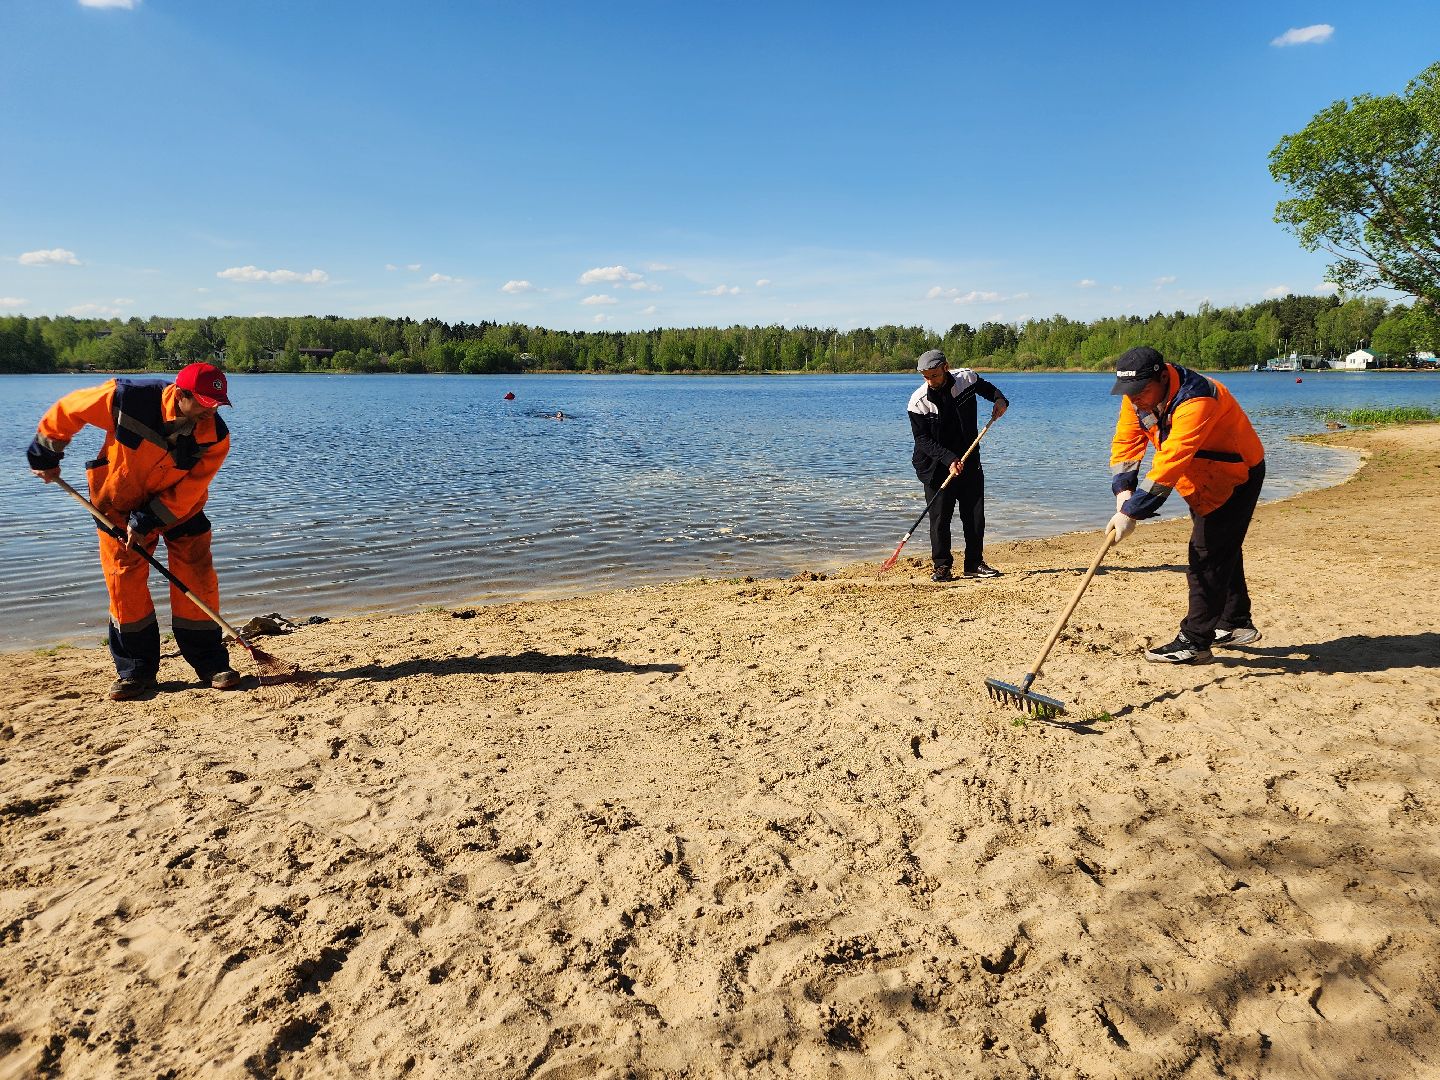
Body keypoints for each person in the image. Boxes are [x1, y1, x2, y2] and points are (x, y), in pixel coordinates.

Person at [27, 362, 241, 700]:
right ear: (181, 394)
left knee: (198, 575)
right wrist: (45, 451)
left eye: (216, 403)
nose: (209, 411)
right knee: (124, 582)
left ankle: (211, 663)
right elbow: (70, 409)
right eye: (202, 402)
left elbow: (191, 488)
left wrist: (148, 520)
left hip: (180, 506)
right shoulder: (127, 397)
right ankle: (137, 672)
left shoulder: (215, 436)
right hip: (117, 503)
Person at [1106, 346, 1266, 663]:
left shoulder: (1198, 398)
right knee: (1222, 547)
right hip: (1198, 476)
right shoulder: (1135, 395)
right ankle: (1235, 623)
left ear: (1163, 377)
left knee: (1206, 554)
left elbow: (1169, 463)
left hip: (1235, 474)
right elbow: (1127, 441)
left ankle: (1195, 642)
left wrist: (1132, 512)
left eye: (1140, 391)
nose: (1134, 398)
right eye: (1129, 392)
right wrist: (1123, 491)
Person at [907, 349, 1009, 581]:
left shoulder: (966, 379)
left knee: (974, 515)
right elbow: (922, 440)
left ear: (945, 367)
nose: (930, 381)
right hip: (934, 465)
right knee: (940, 518)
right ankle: (942, 566)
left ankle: (973, 563)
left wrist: (1000, 400)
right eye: (925, 376)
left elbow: (988, 389)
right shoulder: (918, 402)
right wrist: (949, 459)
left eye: (934, 375)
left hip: (969, 457)